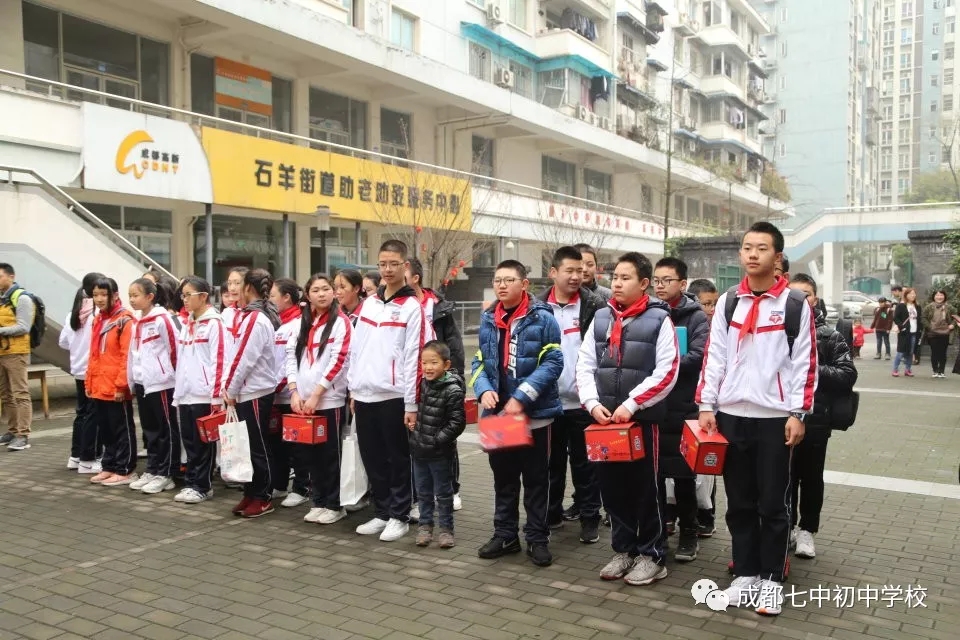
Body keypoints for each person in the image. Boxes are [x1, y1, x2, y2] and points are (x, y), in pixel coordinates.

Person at [697, 222, 817, 616]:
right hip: (732, 416)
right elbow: (715, 356)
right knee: (739, 502)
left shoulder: (794, 305)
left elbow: (804, 363)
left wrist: (798, 413)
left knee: (774, 504)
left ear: (777, 257)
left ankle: (771, 580)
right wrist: (707, 405)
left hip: (774, 419)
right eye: (747, 247)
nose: (752, 254)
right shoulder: (729, 301)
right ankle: (745, 574)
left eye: (761, 248)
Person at [576, 251, 679, 585]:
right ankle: (624, 549)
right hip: (605, 422)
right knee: (612, 488)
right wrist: (592, 403)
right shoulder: (601, 318)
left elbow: (667, 372)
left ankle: (652, 555)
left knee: (645, 488)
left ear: (644, 283)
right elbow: (584, 364)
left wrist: (633, 404)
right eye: (615, 277)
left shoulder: (659, 319)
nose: (617, 284)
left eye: (626, 278)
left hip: (641, 421)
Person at [472, 259, 564, 567]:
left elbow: (553, 362)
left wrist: (522, 396)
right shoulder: (488, 318)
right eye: (497, 280)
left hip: (534, 416)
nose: (501, 285)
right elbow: (479, 361)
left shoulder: (542, 318)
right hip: (500, 417)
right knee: (504, 480)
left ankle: (537, 538)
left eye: (508, 280)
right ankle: (505, 535)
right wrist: (483, 389)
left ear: (524, 284)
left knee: (537, 480)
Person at [348, 240, 428, 542]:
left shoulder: (412, 307)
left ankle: (399, 515)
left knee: (398, 458)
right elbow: (356, 349)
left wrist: (411, 404)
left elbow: (414, 356)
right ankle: (381, 512)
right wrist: (353, 389)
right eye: (383, 264)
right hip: (364, 394)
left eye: (394, 264)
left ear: (404, 266)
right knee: (372, 457)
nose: (388, 269)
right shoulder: (369, 303)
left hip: (394, 396)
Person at [787, 274, 857, 560]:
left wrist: (811, 368)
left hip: (816, 419)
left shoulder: (829, 336)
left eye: (806, 294)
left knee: (811, 478)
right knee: (784, 477)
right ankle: (786, 527)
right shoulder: (778, 330)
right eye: (794, 294)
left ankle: (807, 530)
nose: (801, 300)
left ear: (815, 299)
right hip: (781, 418)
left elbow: (847, 374)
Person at [540, 246, 604, 542]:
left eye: (581, 270)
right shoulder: (538, 307)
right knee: (550, 464)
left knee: (586, 465)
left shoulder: (595, 305)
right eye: (570, 270)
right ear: (553, 272)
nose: (577, 276)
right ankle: (551, 514)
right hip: (549, 401)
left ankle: (590, 518)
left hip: (584, 402)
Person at [652, 257, 709, 563]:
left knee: (685, 475)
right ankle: (659, 530)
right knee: (655, 475)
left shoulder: (696, 316)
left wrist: (664, 364)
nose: (660, 286)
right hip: (653, 406)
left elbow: (700, 355)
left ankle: (689, 532)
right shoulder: (649, 311)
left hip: (683, 406)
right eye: (656, 280)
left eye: (667, 280)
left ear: (683, 284)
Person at [287, 273, 352, 524]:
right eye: (315, 290)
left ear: (333, 293)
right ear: (307, 295)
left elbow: (339, 361)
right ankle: (318, 500)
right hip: (303, 401)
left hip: (329, 400)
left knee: (329, 455)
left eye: (326, 289)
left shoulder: (341, 322)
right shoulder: (302, 322)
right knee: (309, 454)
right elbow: (290, 357)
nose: (321, 294)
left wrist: (316, 394)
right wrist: (294, 391)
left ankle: (335, 504)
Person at [406, 257, 467, 514]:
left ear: (415, 278)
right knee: (418, 440)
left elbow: (454, 348)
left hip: (439, 382)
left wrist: (454, 382)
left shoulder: (438, 308)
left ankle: (451, 490)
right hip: (413, 383)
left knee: (444, 441)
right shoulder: (397, 306)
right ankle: (421, 495)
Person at [222, 268, 282, 518]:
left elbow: (243, 358)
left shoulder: (255, 318)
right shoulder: (251, 316)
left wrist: (230, 388)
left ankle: (263, 495)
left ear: (248, 288)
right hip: (249, 390)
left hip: (254, 391)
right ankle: (251, 492)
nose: (234, 289)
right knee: (247, 446)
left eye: (239, 284)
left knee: (257, 446)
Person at [172, 276, 225, 504]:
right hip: (186, 393)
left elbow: (218, 361)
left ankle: (202, 486)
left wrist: (216, 396)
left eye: (188, 295)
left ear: (203, 297)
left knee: (203, 443)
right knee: (190, 441)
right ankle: (191, 482)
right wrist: (178, 392)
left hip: (204, 394)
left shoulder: (214, 324)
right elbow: (182, 361)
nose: (184, 300)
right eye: (182, 295)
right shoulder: (188, 324)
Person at [126, 278, 181, 495]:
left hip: (162, 383)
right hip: (143, 382)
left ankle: (166, 473)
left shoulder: (162, 320)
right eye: (130, 296)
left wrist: (173, 377)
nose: (132, 300)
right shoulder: (137, 322)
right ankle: (153, 468)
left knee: (165, 429)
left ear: (150, 297)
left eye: (136, 295)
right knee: (150, 430)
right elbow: (133, 354)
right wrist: (132, 380)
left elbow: (174, 349)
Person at [409, 341, 466, 549]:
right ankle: (425, 527)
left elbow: (457, 422)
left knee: (443, 493)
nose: (428, 367)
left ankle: (446, 530)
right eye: (424, 363)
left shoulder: (453, 390)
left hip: (440, 452)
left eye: (433, 362)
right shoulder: (422, 383)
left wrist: (437, 440)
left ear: (446, 364)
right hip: (419, 450)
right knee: (423, 492)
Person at [86, 277, 138, 486]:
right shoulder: (99, 319)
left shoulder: (124, 320)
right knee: (106, 429)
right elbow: (93, 355)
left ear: (115, 295)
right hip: (99, 384)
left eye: (103, 294)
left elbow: (126, 356)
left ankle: (125, 469)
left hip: (115, 385)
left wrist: (121, 385)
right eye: (95, 295)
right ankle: (109, 466)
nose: (99, 299)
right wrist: (89, 382)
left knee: (122, 429)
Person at [269, 278, 309, 506]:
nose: (270, 300)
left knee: (297, 445)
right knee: (278, 444)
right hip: (276, 393)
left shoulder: (299, 323)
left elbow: (293, 361)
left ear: (287, 297)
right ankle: (279, 484)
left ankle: (301, 488)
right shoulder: (277, 323)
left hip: (291, 393)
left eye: (273, 295)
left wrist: (282, 385)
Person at [685, 278, 719, 537]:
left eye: (714, 303)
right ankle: (676, 514)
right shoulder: (686, 324)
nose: (712, 309)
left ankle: (707, 515)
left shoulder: (720, 328)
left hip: (709, 404)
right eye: (707, 304)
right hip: (685, 400)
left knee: (708, 461)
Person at [60, 272, 103, 471]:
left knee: (82, 413)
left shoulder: (73, 314)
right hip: (93, 371)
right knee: (93, 415)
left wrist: (78, 348)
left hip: (78, 369)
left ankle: (75, 456)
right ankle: (89, 458)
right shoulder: (97, 314)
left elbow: (63, 342)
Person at [0, 263, 36, 451]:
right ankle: (12, 431)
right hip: (2, 352)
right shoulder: (2, 298)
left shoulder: (22, 298)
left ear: (11, 277)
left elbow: (24, 326)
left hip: (16, 353)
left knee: (20, 393)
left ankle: (23, 435)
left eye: (0, 276)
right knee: (6, 394)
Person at [922, 290, 957, 378]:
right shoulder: (929, 307)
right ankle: (935, 370)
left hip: (945, 333)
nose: (939, 297)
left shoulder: (949, 307)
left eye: (941, 295)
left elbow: (956, 317)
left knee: (943, 352)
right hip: (932, 333)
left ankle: (941, 371)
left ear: (944, 296)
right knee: (934, 352)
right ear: (934, 297)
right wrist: (929, 326)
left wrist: (952, 324)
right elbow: (923, 318)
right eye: (937, 295)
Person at [892, 287, 920, 377]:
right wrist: (902, 327)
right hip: (904, 333)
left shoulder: (917, 306)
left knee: (910, 352)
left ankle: (908, 370)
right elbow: (896, 318)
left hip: (914, 332)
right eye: (910, 294)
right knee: (900, 352)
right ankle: (895, 369)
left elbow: (919, 319)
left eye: (914, 294)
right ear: (906, 295)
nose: (913, 295)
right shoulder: (901, 305)